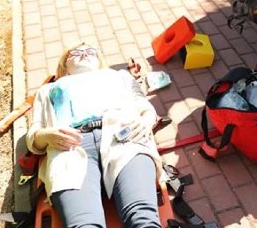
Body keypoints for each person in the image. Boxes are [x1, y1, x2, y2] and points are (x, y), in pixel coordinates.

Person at [27, 43, 162, 228]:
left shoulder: (120, 76)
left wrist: (147, 120)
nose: (84, 54)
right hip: (71, 149)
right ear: (64, 65)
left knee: (143, 218)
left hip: (123, 138)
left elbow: (144, 107)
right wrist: (47, 135)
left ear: (99, 60)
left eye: (90, 51)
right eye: (75, 52)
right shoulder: (48, 90)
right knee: (84, 225)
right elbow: (33, 137)